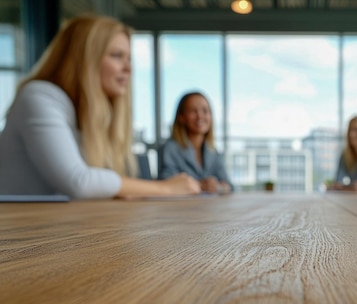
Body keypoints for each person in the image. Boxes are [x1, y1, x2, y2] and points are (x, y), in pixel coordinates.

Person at [0, 14, 201, 199]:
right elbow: (79, 182)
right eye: (116, 55)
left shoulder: (89, 114)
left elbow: (102, 185)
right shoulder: (38, 96)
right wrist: (165, 188)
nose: (128, 68)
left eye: (129, 58)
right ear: (83, 59)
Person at [160, 92, 233, 194]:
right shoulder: (170, 149)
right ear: (181, 117)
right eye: (193, 111)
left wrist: (218, 187)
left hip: (210, 207)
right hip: (180, 208)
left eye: (205, 111)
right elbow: (167, 184)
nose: (200, 116)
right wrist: (201, 185)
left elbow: (229, 185)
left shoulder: (213, 151)